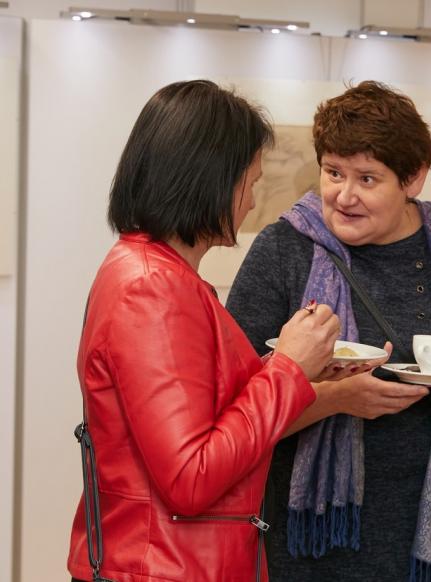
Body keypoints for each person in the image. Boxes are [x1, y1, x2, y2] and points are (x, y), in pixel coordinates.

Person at [226, 80, 431, 581]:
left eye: (367, 179)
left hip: (428, 541)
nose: (344, 196)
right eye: (333, 172)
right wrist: (335, 399)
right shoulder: (285, 248)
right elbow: (235, 414)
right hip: (311, 544)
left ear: (414, 177)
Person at [67, 80, 357, 582]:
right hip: (166, 567)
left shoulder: (155, 273)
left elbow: (200, 407)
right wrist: (287, 370)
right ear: (212, 180)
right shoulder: (153, 287)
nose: (251, 201)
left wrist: (298, 368)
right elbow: (191, 476)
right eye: (250, 182)